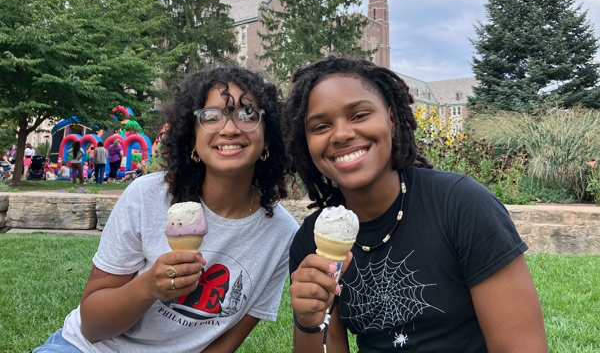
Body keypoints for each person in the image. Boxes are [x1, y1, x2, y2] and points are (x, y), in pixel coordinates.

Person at [283, 56, 548, 352]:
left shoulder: (460, 205)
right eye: (320, 126)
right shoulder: (312, 240)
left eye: (359, 115)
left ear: (392, 119)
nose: (342, 134)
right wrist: (308, 320)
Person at [34, 67, 299, 352]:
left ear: (267, 137)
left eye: (248, 115)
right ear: (192, 138)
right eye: (211, 116)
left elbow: (225, 343)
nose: (230, 128)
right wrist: (148, 287)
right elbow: (92, 327)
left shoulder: (282, 234)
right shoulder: (147, 196)